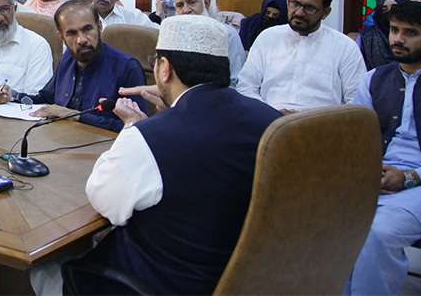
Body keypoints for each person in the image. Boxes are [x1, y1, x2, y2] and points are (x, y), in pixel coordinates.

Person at [38, 15, 282, 296]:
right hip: (244, 280)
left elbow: (103, 199)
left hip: (163, 281)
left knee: (42, 269)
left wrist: (133, 127)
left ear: (163, 68)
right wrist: (172, 106)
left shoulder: (150, 138)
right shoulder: (272, 121)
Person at [346, 1, 421, 296]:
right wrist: (368, 173)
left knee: (376, 232)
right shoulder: (375, 79)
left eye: (410, 32)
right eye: (394, 30)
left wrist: (409, 177)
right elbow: (358, 139)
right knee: (324, 217)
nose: (398, 39)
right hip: (378, 177)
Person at [0, 0, 146, 133]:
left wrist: (74, 115)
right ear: (61, 36)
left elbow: (137, 127)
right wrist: (14, 97)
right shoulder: (69, 57)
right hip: (62, 140)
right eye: (72, 33)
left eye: (87, 29)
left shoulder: (127, 67)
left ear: (99, 27)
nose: (81, 40)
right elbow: (46, 98)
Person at [237, 0, 365, 112]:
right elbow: (246, 87)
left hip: (323, 128)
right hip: (269, 123)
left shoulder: (344, 47)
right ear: (288, 1)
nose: (299, 12)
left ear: (325, 12)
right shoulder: (268, 38)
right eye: (295, 4)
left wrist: (310, 121)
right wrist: (270, 114)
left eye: (310, 8)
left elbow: (357, 102)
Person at [169, 0, 246, 86]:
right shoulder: (173, 36)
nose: (186, 10)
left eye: (192, 2)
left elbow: (235, 80)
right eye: (180, 5)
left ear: (206, 4)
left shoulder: (227, 34)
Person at [357, 0, 411, 70]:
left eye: (394, 8)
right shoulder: (366, 36)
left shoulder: (415, 35)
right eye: (384, 10)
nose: (390, 13)